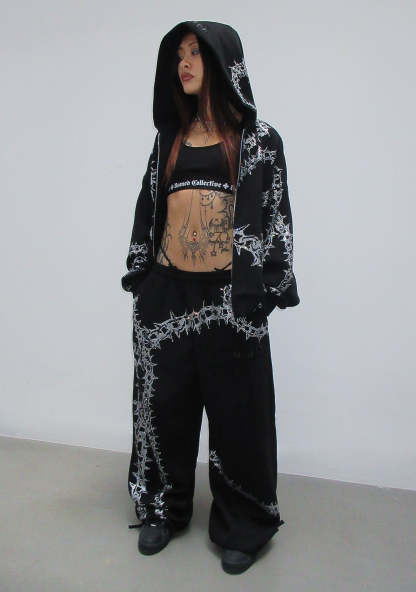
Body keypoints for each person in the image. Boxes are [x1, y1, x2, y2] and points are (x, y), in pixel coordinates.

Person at [121, 20, 300, 574]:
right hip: (167, 298)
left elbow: (276, 216)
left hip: (231, 302)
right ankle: (161, 508)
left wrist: (266, 290)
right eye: (179, 54)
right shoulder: (168, 139)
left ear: (225, 63)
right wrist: (142, 276)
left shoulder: (260, 140)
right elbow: (147, 209)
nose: (185, 63)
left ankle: (244, 523)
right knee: (162, 410)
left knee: (240, 416)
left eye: (196, 52)